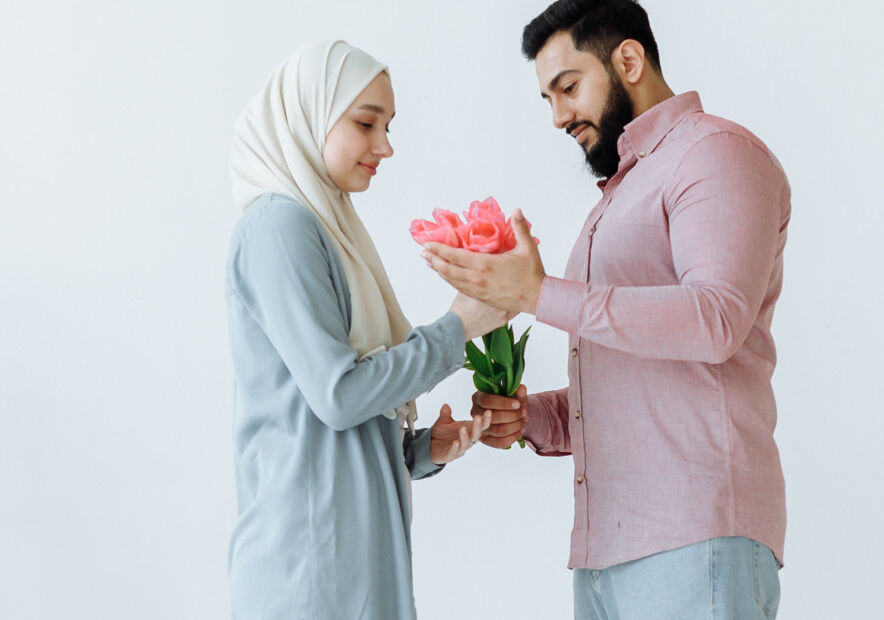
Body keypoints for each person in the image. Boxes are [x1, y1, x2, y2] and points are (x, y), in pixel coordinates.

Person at [421, 2, 793, 618]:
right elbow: (637, 381)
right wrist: (534, 418)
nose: (559, 116)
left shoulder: (714, 153)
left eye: (568, 88)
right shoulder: (620, 194)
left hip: (695, 540)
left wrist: (536, 294)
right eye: (548, 98)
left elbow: (716, 319)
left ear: (629, 59)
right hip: (606, 555)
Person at [223, 40, 510, 619]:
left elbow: (325, 423)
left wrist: (421, 451)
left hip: (346, 560)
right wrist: (458, 327)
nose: (385, 146)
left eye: (388, 126)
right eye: (365, 123)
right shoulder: (280, 228)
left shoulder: (327, 228)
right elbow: (339, 394)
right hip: (307, 570)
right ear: (308, 116)